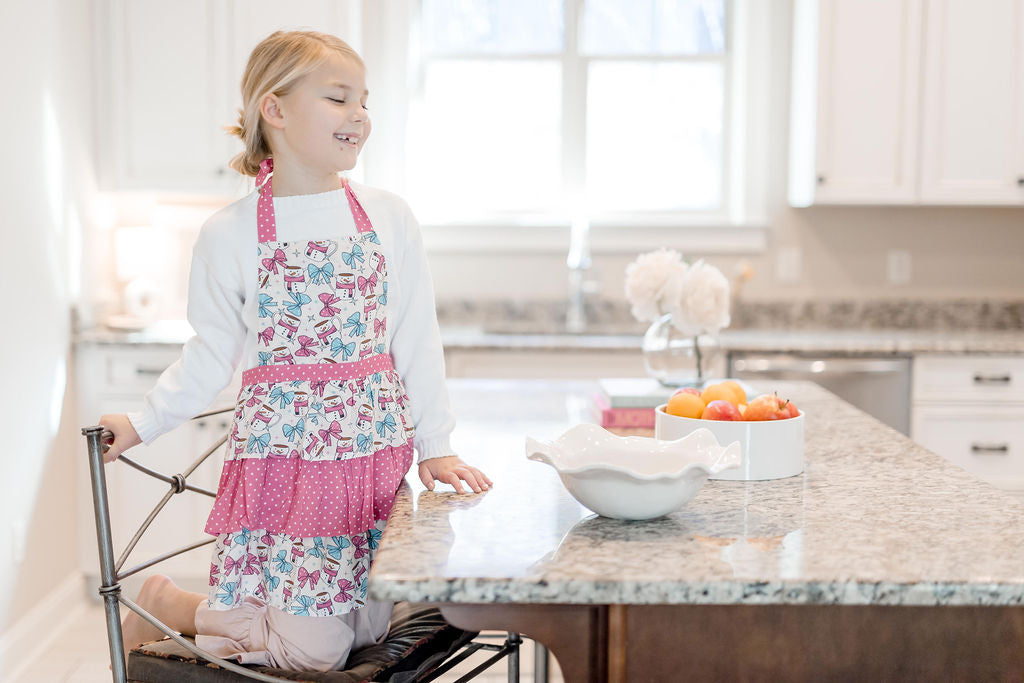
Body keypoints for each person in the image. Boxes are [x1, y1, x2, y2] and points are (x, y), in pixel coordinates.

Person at [98, 29, 493, 672]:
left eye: (364, 101)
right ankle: (184, 611)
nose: (359, 115)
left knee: (366, 629)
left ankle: (193, 610)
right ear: (273, 110)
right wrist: (141, 423)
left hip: (370, 455)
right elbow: (209, 356)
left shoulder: (389, 215)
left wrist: (437, 444)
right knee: (316, 654)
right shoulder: (227, 234)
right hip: (287, 463)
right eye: (339, 98)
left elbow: (417, 337)